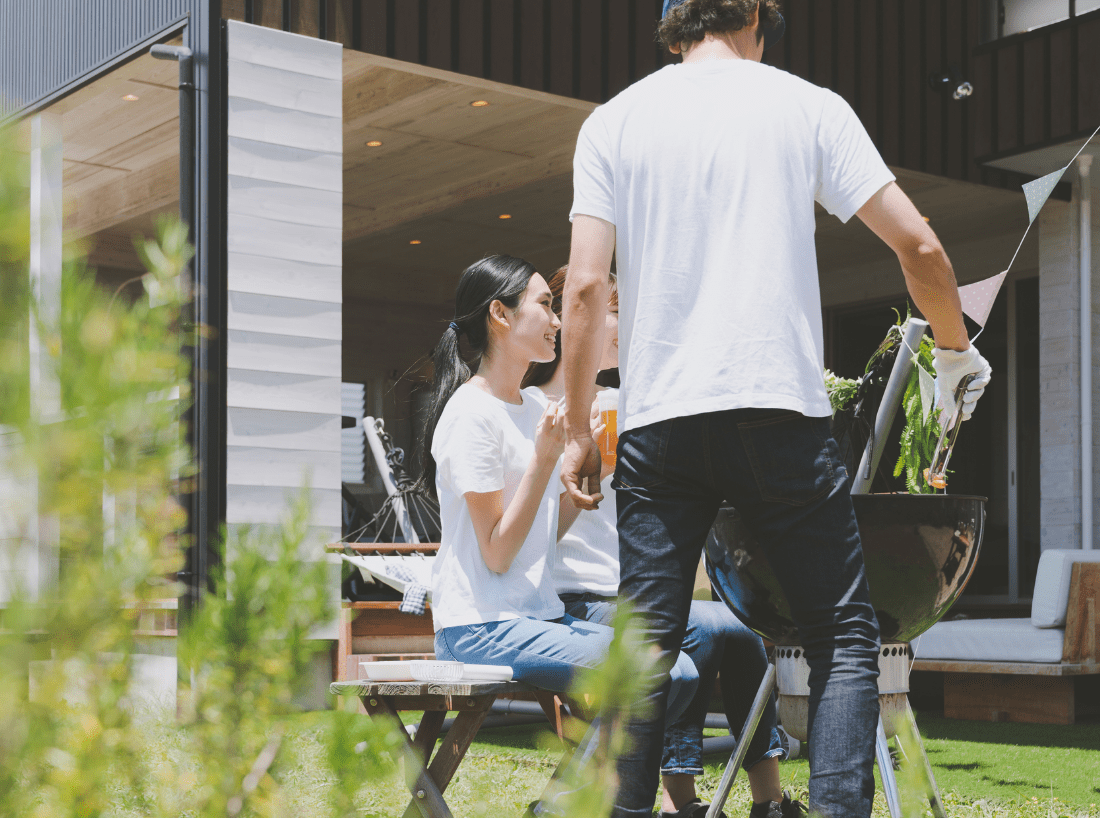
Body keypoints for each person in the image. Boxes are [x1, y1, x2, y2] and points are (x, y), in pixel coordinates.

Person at [556, 2, 993, 818]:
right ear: (755, 15)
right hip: (776, 412)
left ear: (673, 24)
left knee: (643, 646)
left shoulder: (613, 122)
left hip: (660, 421)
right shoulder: (808, 107)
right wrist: (954, 352)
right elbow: (921, 247)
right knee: (842, 636)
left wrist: (581, 432)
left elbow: (583, 286)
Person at [524, 265, 801, 818]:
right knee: (691, 633)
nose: (627, 326)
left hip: (632, 592)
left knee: (737, 631)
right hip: (574, 596)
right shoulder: (535, 412)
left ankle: (766, 799)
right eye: (615, 311)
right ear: (575, 320)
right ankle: (677, 798)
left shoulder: (631, 404)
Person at [420, 253, 699, 751]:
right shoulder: (470, 414)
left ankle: (575, 798)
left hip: (536, 615)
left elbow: (542, 536)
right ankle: (581, 800)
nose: (557, 322)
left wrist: (595, 473)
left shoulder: (534, 408)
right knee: (657, 674)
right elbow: (498, 554)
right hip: (481, 626)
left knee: (678, 669)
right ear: (500, 316)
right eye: (546, 306)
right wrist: (545, 461)